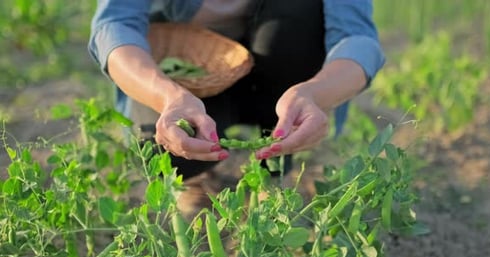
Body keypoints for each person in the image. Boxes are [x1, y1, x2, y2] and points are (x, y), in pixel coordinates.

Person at [88, 0, 385, 181]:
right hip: (190, 83)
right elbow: (115, 25)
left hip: (276, 77)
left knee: (299, 8)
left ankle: (274, 168)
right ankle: (193, 183)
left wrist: (315, 94)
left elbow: (357, 39)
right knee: (161, 149)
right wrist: (168, 96)